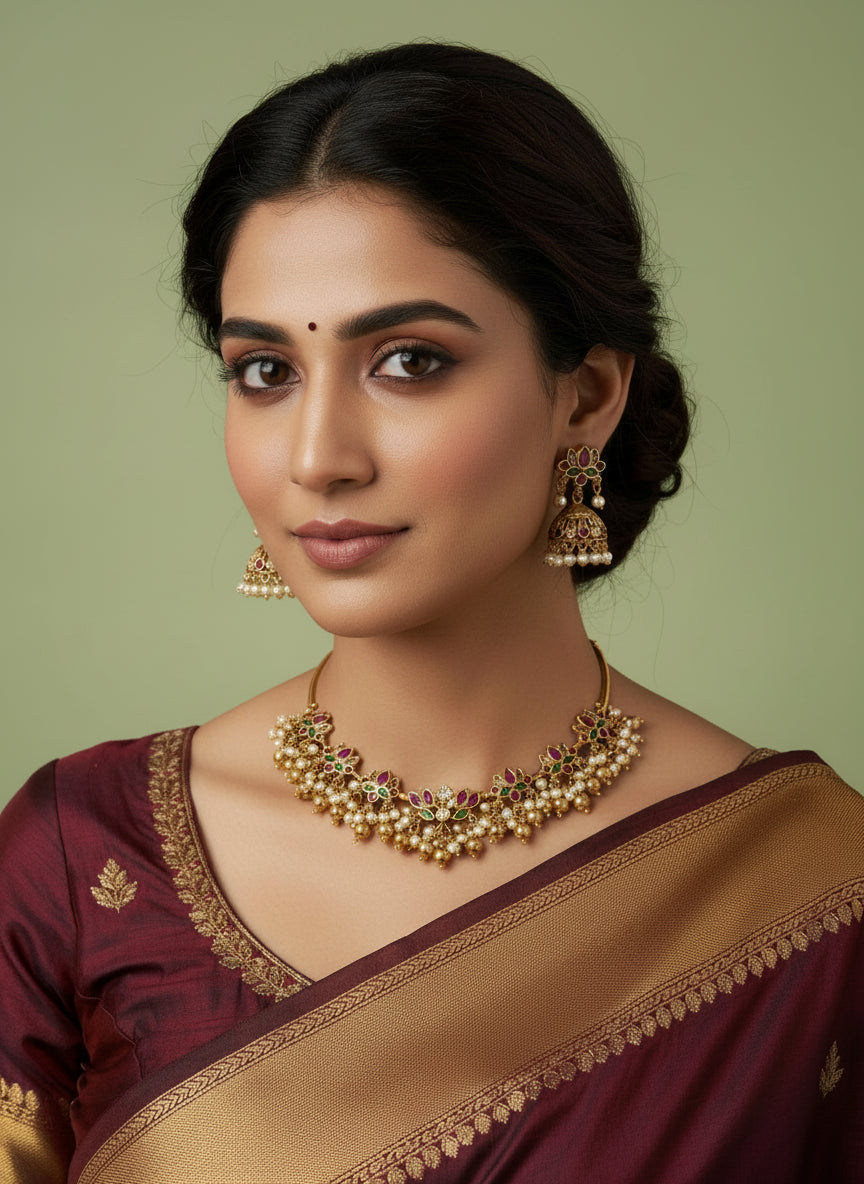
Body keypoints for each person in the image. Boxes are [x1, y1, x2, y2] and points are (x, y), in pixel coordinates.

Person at [1, 41, 861, 1184]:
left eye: (408, 360)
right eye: (265, 371)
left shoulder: (813, 887)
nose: (318, 457)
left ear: (587, 395)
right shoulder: (82, 855)